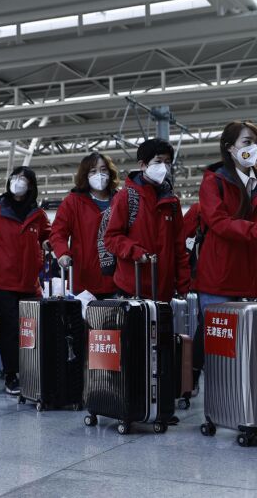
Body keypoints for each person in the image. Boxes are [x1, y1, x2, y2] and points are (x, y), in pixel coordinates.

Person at [0, 167, 51, 395]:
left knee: (32, 330)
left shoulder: (38, 214)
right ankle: (11, 374)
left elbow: (48, 235)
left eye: (24, 179)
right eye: (15, 178)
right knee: (8, 330)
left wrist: (48, 244)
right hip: (2, 281)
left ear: (31, 185)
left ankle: (32, 371)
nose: (18, 183)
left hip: (29, 283)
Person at [192, 121, 257, 383]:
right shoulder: (213, 183)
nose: (253, 147)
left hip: (250, 276)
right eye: (247, 142)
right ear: (230, 148)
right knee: (219, 346)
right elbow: (217, 222)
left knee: (248, 347)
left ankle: (245, 407)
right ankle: (216, 405)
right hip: (218, 278)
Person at [103, 138, 190, 302]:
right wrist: (135, 252)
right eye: (158, 161)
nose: (163, 167)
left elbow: (179, 247)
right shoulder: (126, 197)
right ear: (142, 165)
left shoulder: (172, 203)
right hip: (132, 288)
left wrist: (184, 284)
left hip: (164, 291)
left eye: (168, 162)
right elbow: (111, 238)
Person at [49, 152, 120, 298]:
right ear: (85, 176)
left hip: (119, 279)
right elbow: (58, 232)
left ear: (110, 172)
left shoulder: (121, 200)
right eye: (93, 171)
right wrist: (62, 253)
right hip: (84, 282)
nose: (99, 175)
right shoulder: (72, 202)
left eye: (103, 170)